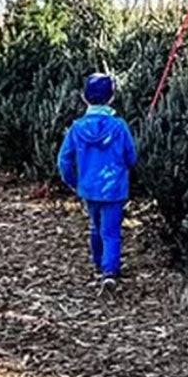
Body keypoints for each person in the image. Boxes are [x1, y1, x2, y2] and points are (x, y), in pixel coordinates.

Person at [57, 73, 138, 294]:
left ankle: (98, 264)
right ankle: (109, 272)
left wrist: (74, 182)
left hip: (89, 189)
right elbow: (132, 156)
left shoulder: (76, 128)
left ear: (84, 97)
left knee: (95, 226)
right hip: (114, 188)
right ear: (112, 98)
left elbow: (63, 160)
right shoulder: (119, 127)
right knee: (111, 231)